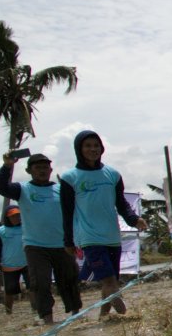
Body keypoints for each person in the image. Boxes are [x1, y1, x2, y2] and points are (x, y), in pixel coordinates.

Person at [60, 130, 148, 318]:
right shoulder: (70, 178)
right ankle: (126, 316)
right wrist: (68, 240)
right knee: (108, 280)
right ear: (79, 149)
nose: (93, 149)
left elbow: (121, 203)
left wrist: (134, 219)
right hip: (89, 237)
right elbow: (66, 212)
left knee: (112, 280)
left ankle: (104, 318)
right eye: (88, 146)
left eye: (96, 145)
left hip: (112, 236)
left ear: (102, 148)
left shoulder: (112, 174)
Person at [0, 152, 82, 324]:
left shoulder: (61, 189)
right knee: (40, 283)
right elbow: (1, 187)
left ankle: (76, 314)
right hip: (35, 246)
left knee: (69, 279)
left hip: (62, 244)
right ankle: (47, 319)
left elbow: (76, 212)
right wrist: (7, 166)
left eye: (45, 167)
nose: (42, 170)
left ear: (51, 169)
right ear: (29, 170)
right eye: (38, 168)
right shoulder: (22, 189)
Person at [0, 206, 30, 315]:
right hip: (9, 265)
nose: (17, 218)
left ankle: (36, 311)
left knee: (33, 288)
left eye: (18, 215)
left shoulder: (26, 227)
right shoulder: (0, 231)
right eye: (13, 216)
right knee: (9, 291)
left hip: (27, 263)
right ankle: (9, 313)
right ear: (8, 218)